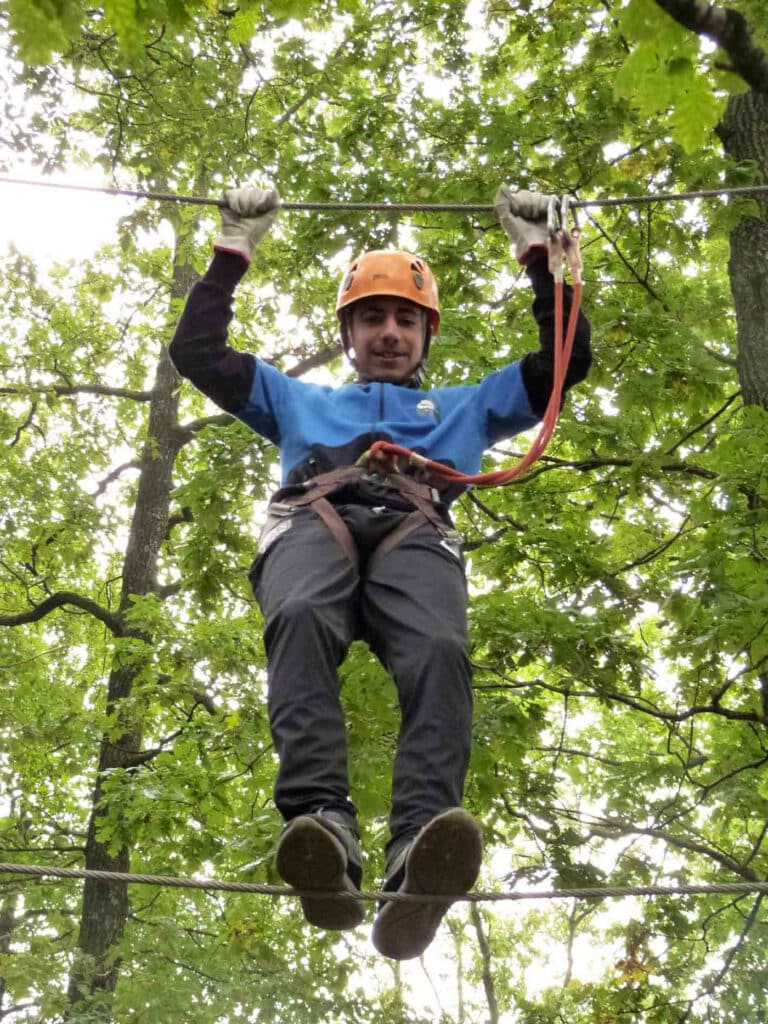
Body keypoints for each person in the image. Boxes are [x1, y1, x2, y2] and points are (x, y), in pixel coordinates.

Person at [168, 184, 591, 960]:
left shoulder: (465, 407)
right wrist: (232, 252)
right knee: (300, 614)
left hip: (414, 529)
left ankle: (418, 849)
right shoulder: (298, 401)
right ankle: (321, 822)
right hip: (315, 518)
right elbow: (197, 355)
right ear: (349, 335)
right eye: (372, 318)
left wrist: (541, 261)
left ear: (426, 334)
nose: (389, 332)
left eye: (405, 319)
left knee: (439, 650)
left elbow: (564, 365)